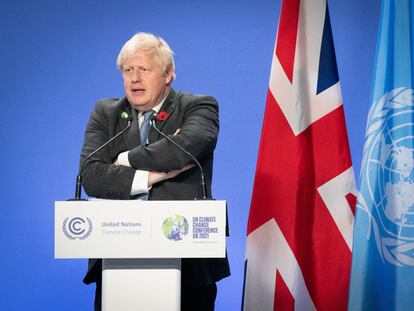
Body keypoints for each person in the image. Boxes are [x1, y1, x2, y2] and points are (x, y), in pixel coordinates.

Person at [79, 32, 230, 311]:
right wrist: (150, 176)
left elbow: (185, 148)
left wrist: (123, 159)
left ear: (168, 74)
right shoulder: (106, 112)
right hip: (116, 261)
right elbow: (90, 176)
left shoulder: (198, 106)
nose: (134, 79)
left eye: (144, 69)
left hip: (188, 263)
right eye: (128, 70)